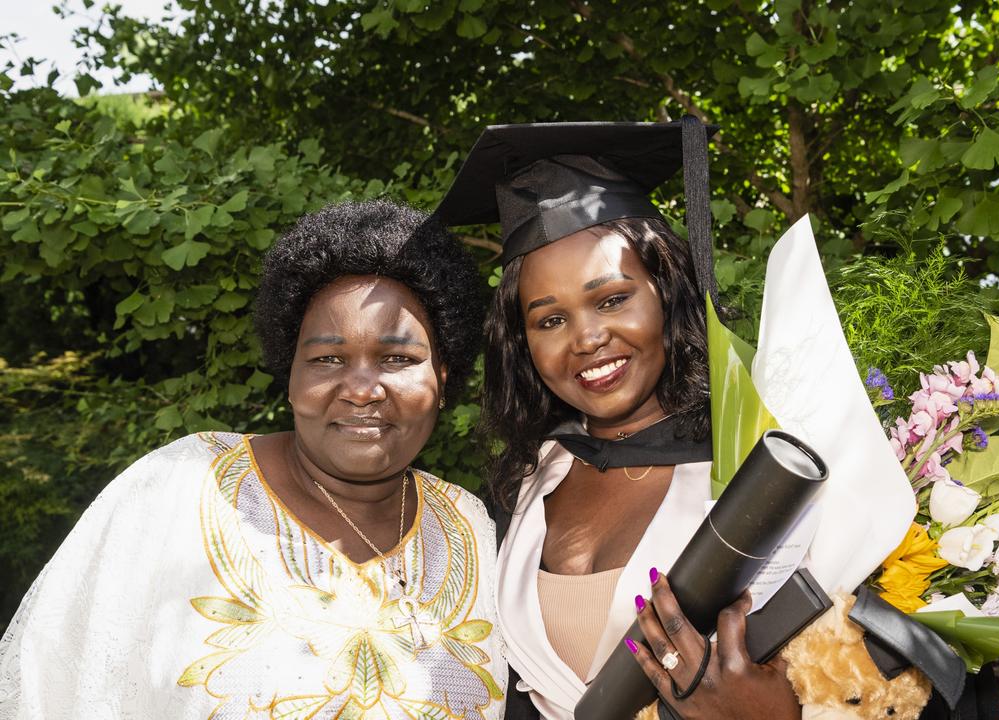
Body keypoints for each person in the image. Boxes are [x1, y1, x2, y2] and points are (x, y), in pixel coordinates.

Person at [0, 200, 506, 720]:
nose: (361, 390)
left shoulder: (470, 526)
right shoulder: (179, 487)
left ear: (443, 378)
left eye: (397, 359)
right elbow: (51, 690)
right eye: (327, 359)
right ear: (290, 375)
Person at [437, 120, 802, 720]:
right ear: (520, 342)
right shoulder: (522, 490)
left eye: (611, 299)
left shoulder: (757, 470)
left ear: (669, 291)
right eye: (549, 320)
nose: (587, 338)